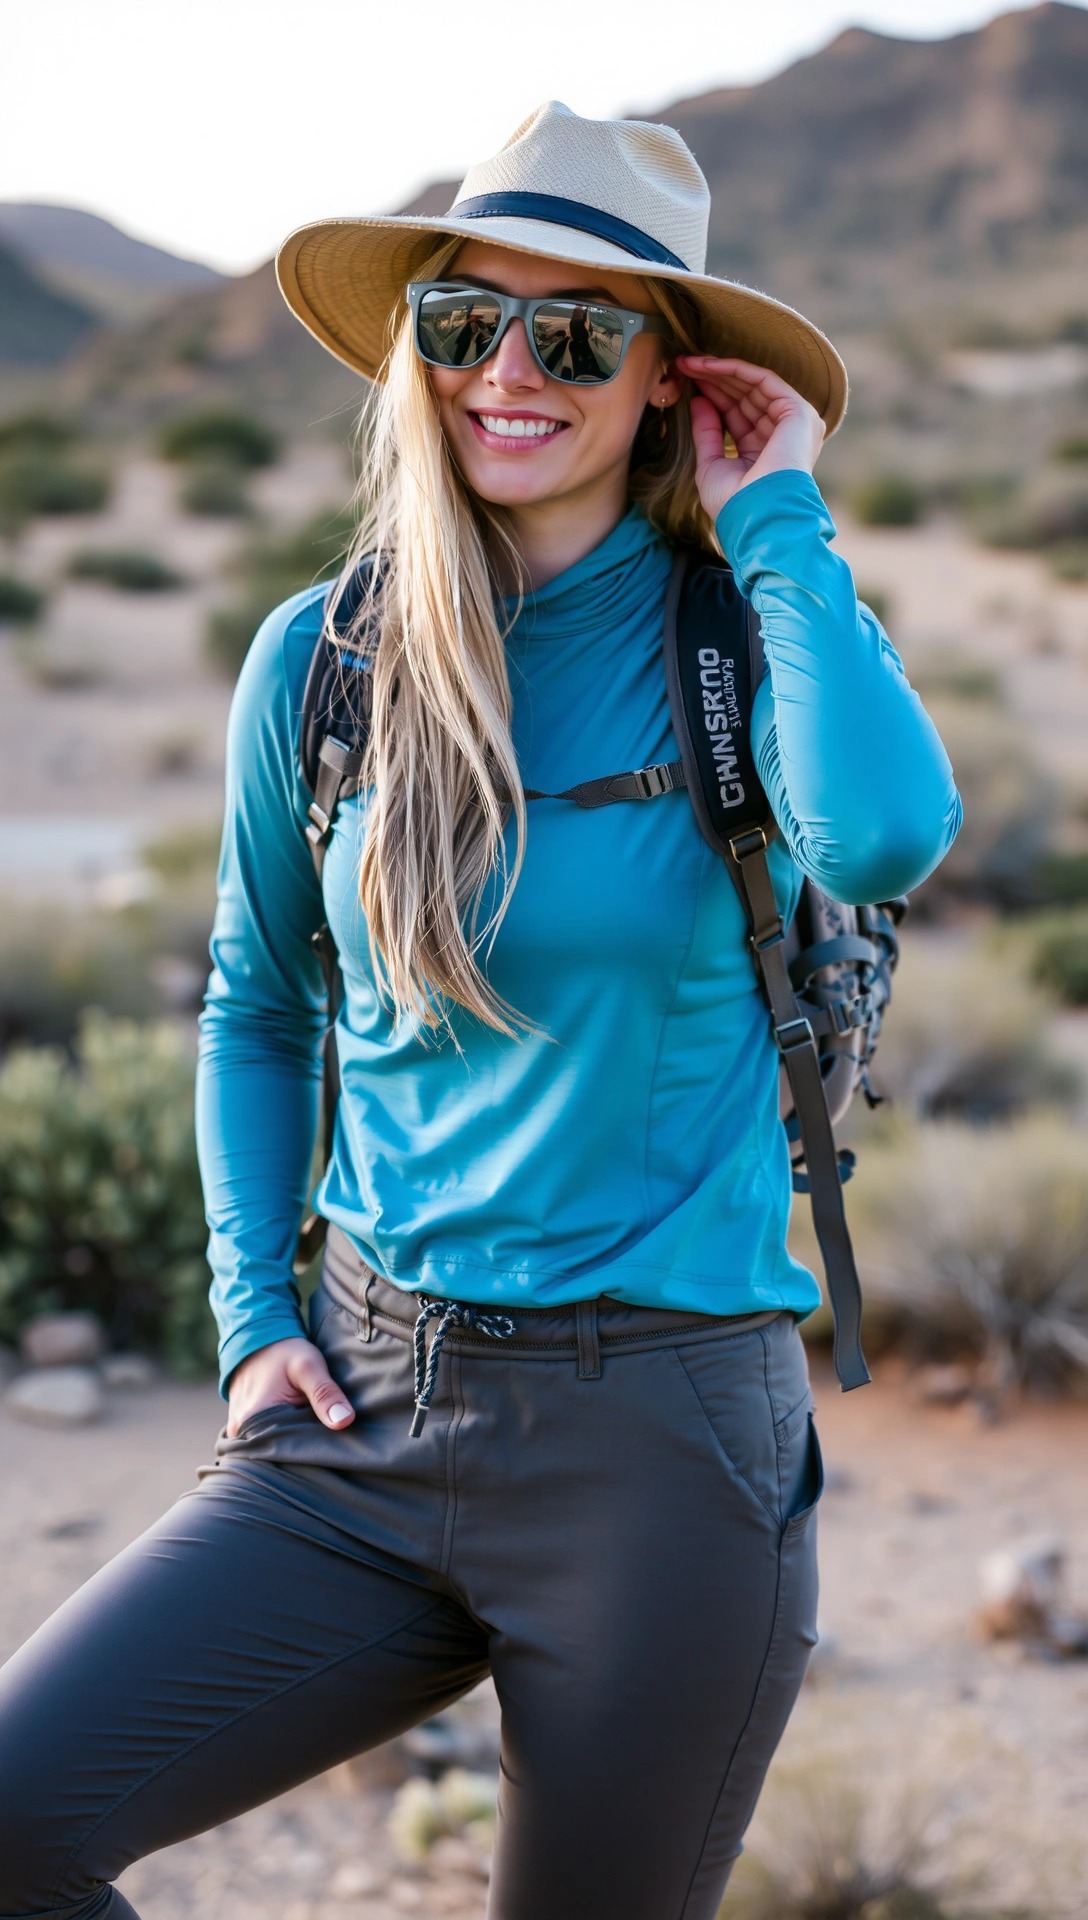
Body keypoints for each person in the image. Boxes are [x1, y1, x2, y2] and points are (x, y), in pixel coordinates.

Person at [0, 101, 962, 1920]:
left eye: (577, 332)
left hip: (662, 1452)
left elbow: (891, 828)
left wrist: (777, 519)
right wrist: (247, 1309)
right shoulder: (326, 654)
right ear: (411, 353)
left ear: (667, 377)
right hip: (359, 1412)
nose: (510, 373)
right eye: (463, 323)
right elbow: (257, 999)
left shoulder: (746, 636)